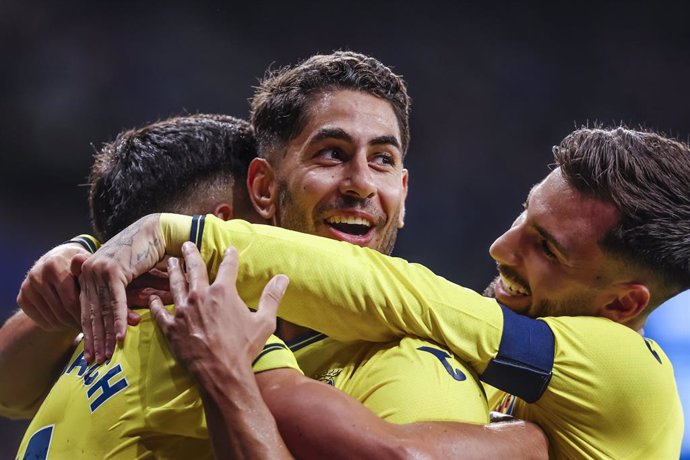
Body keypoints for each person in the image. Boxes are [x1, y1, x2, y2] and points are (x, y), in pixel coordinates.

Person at [79, 126, 686, 458]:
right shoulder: (523, 410)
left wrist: (183, 236)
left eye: (546, 248)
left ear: (623, 305)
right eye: (521, 217)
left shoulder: (630, 375)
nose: (502, 247)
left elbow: (412, 296)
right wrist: (78, 256)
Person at [9, 103, 546, 457]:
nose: (357, 185)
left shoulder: (109, 326)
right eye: (263, 227)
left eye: (381, 160)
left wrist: (80, 261)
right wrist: (537, 440)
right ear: (222, 229)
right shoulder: (207, 329)